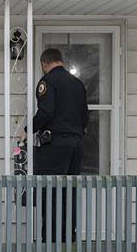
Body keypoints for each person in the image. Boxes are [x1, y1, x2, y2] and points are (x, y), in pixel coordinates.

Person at [24, 48, 90, 242]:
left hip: (56, 143)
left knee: (50, 190)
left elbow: (46, 112)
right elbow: (85, 117)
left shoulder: (48, 81)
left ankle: (51, 239)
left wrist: (27, 130)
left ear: (44, 64)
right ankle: (68, 236)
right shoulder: (78, 84)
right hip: (77, 143)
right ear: (60, 61)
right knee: (70, 190)